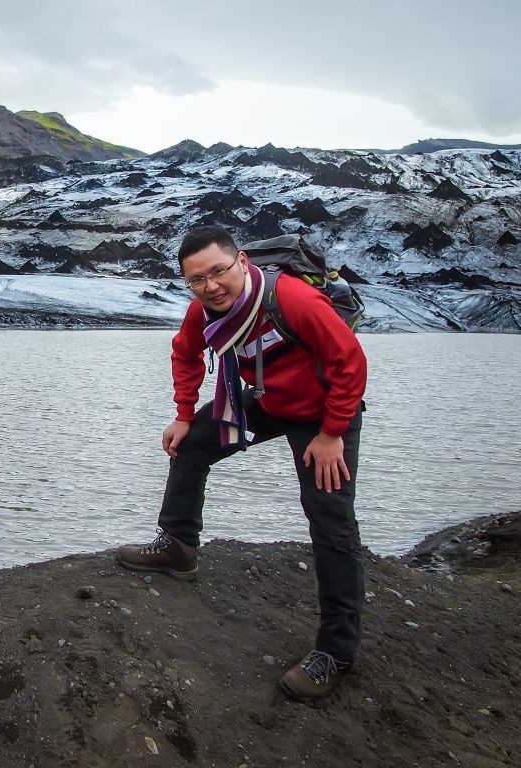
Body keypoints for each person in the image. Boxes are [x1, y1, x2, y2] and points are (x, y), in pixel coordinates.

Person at [116, 225, 368, 701]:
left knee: (331, 520)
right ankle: (178, 548)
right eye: (197, 279)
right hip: (267, 399)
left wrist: (333, 432)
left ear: (243, 262)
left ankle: (336, 652)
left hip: (324, 411)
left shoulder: (294, 300)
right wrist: (184, 415)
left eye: (219, 271)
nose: (211, 286)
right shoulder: (203, 311)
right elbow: (185, 353)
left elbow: (349, 362)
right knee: (191, 445)